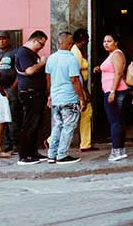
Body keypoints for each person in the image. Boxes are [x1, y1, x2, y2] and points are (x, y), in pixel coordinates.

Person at [45, 32, 86, 165]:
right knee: (68, 127)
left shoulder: (51, 58)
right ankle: (62, 154)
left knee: (57, 126)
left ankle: (52, 154)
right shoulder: (71, 59)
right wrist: (82, 98)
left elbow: (48, 78)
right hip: (68, 98)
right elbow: (74, 80)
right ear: (70, 44)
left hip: (56, 98)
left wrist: (50, 95)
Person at [14, 31, 49, 165]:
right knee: (29, 124)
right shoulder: (24, 53)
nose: (41, 47)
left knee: (35, 124)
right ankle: (24, 155)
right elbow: (29, 71)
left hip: (36, 92)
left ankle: (33, 152)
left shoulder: (31, 53)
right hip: (29, 93)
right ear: (34, 40)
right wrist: (41, 63)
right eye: (41, 44)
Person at [94, 33, 129, 161]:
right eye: (104, 41)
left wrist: (113, 91)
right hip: (112, 90)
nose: (106, 43)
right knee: (117, 121)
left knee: (115, 121)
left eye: (109, 41)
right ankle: (120, 149)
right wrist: (100, 69)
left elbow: (119, 73)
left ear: (116, 42)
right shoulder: (111, 55)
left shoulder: (117, 54)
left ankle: (117, 150)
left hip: (115, 91)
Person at [0, 32, 19, 154]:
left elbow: (19, 71)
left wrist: (13, 88)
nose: (1, 41)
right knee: (2, 118)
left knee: (13, 118)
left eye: (4, 38)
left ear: (8, 40)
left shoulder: (15, 52)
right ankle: (7, 144)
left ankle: (15, 144)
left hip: (11, 89)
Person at [70, 28, 94, 153]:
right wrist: (84, 92)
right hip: (78, 87)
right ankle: (85, 143)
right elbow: (77, 74)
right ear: (84, 40)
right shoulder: (76, 52)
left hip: (79, 86)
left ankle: (86, 142)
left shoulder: (77, 51)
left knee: (82, 114)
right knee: (82, 114)